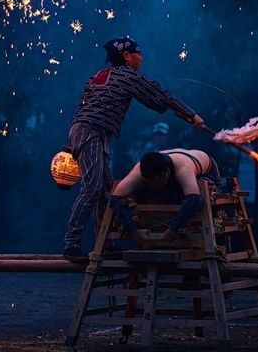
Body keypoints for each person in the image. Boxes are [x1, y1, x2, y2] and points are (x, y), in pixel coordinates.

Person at [63, 36, 204, 260]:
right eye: (139, 54)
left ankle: (104, 242)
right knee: (93, 187)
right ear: (127, 56)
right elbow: (161, 95)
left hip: (91, 132)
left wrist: (170, 109)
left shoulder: (99, 76)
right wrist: (191, 114)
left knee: (106, 188)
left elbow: (154, 102)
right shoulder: (127, 76)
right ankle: (71, 244)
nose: (142, 58)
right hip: (91, 131)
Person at [110, 149, 222, 243]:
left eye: (158, 182)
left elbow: (195, 199)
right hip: (174, 178)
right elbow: (115, 198)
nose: (156, 186)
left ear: (167, 172)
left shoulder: (183, 168)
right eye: (151, 183)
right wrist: (133, 231)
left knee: (200, 191)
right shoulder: (139, 170)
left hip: (206, 170)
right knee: (140, 192)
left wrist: (173, 229)